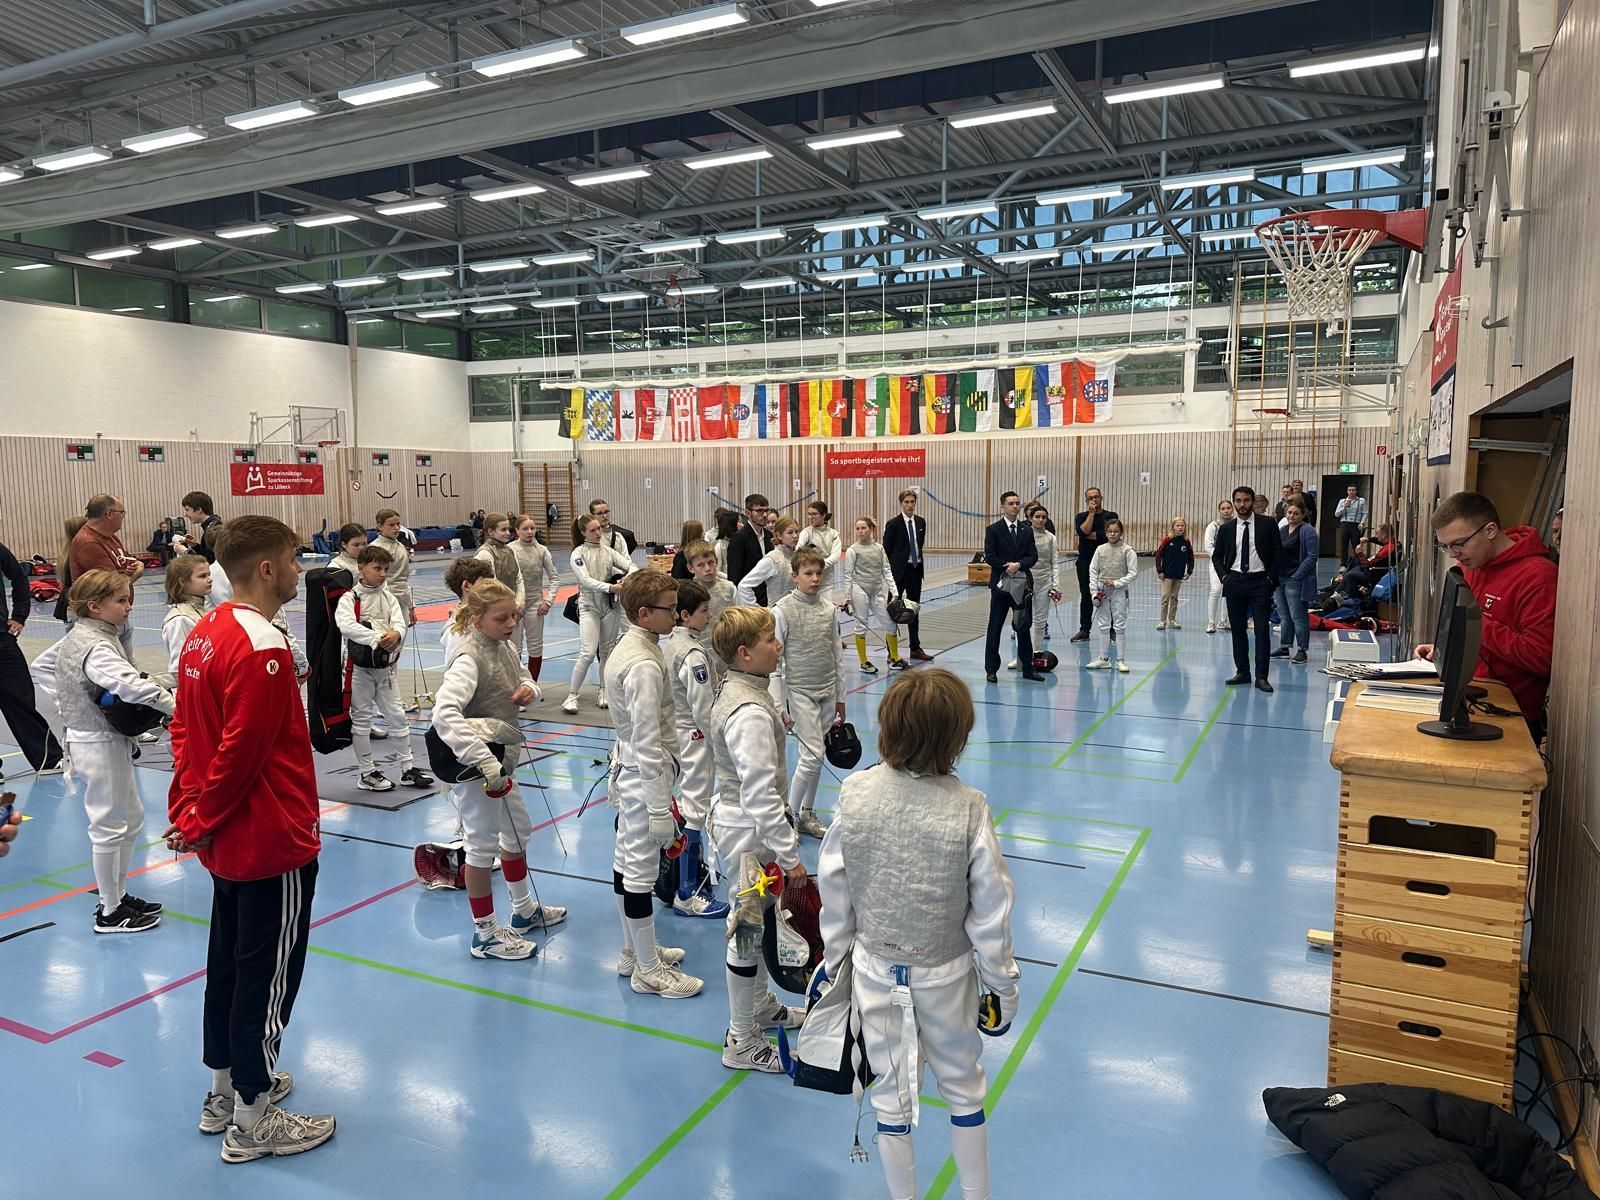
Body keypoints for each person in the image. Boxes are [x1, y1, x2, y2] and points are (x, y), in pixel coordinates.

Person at [166, 515, 335, 1162]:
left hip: (227, 840)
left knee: (230, 967)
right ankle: (254, 1117)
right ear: (266, 568)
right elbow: (243, 752)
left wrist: (190, 808)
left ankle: (225, 1091)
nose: (299, 570)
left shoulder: (205, 631)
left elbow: (185, 731)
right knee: (266, 978)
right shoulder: (264, 643)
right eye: (293, 559)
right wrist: (199, 817)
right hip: (270, 837)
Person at [817, 668, 1019, 1200]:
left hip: (874, 974)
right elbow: (991, 912)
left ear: (889, 727)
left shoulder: (854, 793)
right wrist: (1002, 988)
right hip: (946, 978)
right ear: (956, 737)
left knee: (890, 1096)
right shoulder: (969, 807)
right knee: (963, 1088)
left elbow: (835, 893)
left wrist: (834, 965)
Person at [432, 580, 562, 960]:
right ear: (477, 619)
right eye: (502, 618)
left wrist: (530, 691)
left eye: (513, 616)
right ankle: (485, 934)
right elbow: (444, 714)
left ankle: (523, 910)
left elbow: (524, 678)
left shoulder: (502, 646)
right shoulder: (468, 658)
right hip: (476, 769)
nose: (511, 624)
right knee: (480, 848)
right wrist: (485, 762)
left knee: (518, 833)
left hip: (501, 763)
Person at [708, 606, 808, 1073]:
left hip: (745, 827)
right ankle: (741, 1039)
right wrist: (789, 857)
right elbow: (760, 794)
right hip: (750, 834)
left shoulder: (744, 690)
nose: (778, 645)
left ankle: (760, 1007)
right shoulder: (748, 711)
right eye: (770, 640)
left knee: (761, 923)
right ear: (745, 653)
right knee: (747, 933)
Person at [51, 570, 175, 932]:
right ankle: (109, 912)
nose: (129, 606)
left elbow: (45, 667)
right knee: (108, 824)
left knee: (132, 817)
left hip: (102, 738)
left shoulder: (87, 634)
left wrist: (70, 704)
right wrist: (177, 707)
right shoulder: (96, 644)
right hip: (96, 743)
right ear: (95, 606)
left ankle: (117, 896)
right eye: (121, 600)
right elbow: (132, 686)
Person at [605, 569, 704, 999]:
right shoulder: (643, 663)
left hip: (632, 768)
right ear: (644, 613)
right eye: (669, 609)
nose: (676, 617)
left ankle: (634, 950)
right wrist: (660, 808)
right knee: (640, 873)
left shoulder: (633, 646)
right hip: (645, 774)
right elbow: (646, 740)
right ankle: (647, 971)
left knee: (626, 860)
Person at [1415, 492, 1557, 737]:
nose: (1454, 554)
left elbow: (1541, 658)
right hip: (1471, 704)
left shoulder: (1539, 578)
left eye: (1459, 544)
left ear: (1490, 530)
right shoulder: (1470, 567)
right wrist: (1444, 650)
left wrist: (1475, 625)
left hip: (1511, 717)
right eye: (1446, 546)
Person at [336, 545, 431, 792]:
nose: (382, 574)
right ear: (361, 568)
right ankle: (367, 773)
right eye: (377, 568)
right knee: (362, 720)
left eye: (385, 569)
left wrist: (396, 634)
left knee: (398, 716)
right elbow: (346, 625)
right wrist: (377, 638)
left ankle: (407, 770)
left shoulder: (388, 597)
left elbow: (400, 623)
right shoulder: (350, 598)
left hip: (385, 669)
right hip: (359, 670)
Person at [664, 579, 730, 920]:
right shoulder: (691, 654)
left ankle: (692, 880)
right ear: (685, 615)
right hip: (695, 736)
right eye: (704, 611)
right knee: (694, 810)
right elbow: (703, 708)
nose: (710, 615)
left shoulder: (669, 643)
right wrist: (720, 740)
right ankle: (687, 893)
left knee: (690, 806)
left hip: (677, 733)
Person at [775, 547, 845, 840]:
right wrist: (779, 704)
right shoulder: (782, 610)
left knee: (817, 756)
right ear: (795, 576)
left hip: (826, 689)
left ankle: (806, 813)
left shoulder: (829, 609)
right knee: (812, 754)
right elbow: (775, 661)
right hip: (800, 691)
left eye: (818, 573)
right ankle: (788, 816)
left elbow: (837, 654)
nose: (815, 578)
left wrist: (841, 696)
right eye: (808, 573)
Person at [562, 515, 637, 714]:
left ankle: (604, 691)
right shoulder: (578, 553)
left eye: (599, 529)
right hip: (589, 606)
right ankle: (572, 696)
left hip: (610, 607)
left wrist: (626, 579)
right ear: (583, 533)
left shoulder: (608, 551)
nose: (598, 533)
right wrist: (611, 587)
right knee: (587, 653)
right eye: (593, 530)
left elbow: (632, 566)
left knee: (607, 652)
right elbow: (585, 580)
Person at [0, 538, 61, 774]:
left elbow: (18, 577)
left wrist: (19, 615)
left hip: (2, 640)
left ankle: (48, 758)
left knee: (22, 699)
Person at [1212, 486, 1282, 694]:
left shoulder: (1267, 524)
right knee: (1238, 630)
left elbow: (1277, 553)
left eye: (1246, 500)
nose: (1242, 504)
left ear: (1252, 502)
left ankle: (1262, 676)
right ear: (1234, 502)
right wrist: (1224, 577)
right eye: (1238, 501)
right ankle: (1242, 672)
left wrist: (1270, 578)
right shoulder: (1226, 528)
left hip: (1260, 582)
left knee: (1261, 630)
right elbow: (1217, 556)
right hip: (1234, 582)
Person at [69, 494, 144, 656]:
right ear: (109, 514)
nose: (123, 516)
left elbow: (121, 564)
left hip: (114, 615)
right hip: (98, 620)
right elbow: (110, 585)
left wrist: (132, 566)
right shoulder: (88, 542)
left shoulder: (109, 537)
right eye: (122, 512)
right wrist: (136, 575)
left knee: (127, 664)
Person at [983, 492, 1042, 683]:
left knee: (1023, 627)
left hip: (1021, 587)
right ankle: (991, 669)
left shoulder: (1026, 530)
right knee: (995, 627)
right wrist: (1006, 566)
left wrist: (1019, 565)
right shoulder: (993, 529)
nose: (1015, 506)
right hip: (1001, 587)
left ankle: (1027, 668)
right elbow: (990, 556)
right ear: (1003, 506)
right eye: (1011, 503)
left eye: (1017, 503)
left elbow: (1033, 555)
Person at [843, 516, 903, 674]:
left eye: (863, 528)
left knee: (891, 624)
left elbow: (886, 570)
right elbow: (848, 575)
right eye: (857, 528)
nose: (860, 531)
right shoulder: (852, 550)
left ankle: (894, 658)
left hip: (876, 590)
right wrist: (847, 599)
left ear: (871, 529)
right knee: (861, 626)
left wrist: (895, 592)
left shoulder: (879, 548)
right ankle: (863, 662)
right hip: (859, 589)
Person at [881, 489, 935, 663]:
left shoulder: (920, 522)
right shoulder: (893, 524)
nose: (910, 505)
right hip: (898, 573)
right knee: (893, 610)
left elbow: (919, 545)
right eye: (907, 502)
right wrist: (889, 573)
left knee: (914, 610)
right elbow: (886, 550)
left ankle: (915, 648)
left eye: (912, 502)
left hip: (915, 570)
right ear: (901, 504)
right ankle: (891, 651)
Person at [510, 514, 559, 680]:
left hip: (535, 605)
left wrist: (548, 601)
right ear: (517, 531)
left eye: (532, 528)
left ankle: (532, 686)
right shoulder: (510, 550)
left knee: (535, 646)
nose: (530, 532)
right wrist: (512, 603)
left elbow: (554, 579)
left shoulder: (542, 551)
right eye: (525, 529)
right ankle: (515, 685)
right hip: (514, 606)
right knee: (514, 647)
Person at [1011, 505, 1059, 670]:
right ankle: (1020, 657)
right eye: (1037, 517)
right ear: (1030, 518)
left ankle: (1035, 654)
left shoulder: (1051, 538)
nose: (1040, 520)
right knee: (1021, 620)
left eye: (1043, 517)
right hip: (1024, 581)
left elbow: (1055, 563)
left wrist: (1055, 585)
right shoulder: (1022, 535)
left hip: (1044, 582)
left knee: (1040, 619)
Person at [1271, 500, 1318, 665]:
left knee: (1298, 616)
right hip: (1280, 578)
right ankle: (1285, 647)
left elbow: (1312, 556)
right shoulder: (1283, 530)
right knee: (1284, 615)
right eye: (1289, 513)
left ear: (1303, 514)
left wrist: (1297, 575)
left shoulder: (1308, 531)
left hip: (1295, 580)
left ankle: (1302, 649)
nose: (1292, 516)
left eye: (1296, 513)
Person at [1086, 519, 1137, 674]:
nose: (1113, 534)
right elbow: (1093, 571)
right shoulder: (1100, 550)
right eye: (1110, 531)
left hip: (1119, 592)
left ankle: (1120, 659)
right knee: (1103, 625)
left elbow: (1133, 573)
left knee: (1119, 625)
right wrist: (1094, 592)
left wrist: (1116, 583)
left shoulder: (1128, 551)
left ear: (1121, 532)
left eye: (1116, 531)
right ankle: (1103, 658)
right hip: (1102, 592)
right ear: (1106, 533)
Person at [1070, 487, 1118, 643]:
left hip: (1106, 561)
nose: (1093, 500)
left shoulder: (1110, 516)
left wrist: (1090, 535)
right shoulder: (1081, 516)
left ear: (1101, 498)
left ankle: (1111, 630)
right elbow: (1083, 532)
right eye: (1090, 498)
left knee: (1108, 595)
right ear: (1086, 500)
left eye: (1096, 497)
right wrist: (1091, 515)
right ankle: (1084, 630)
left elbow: (1107, 535)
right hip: (1085, 561)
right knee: (1086, 595)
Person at [685, 539, 736, 674]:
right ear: (691, 568)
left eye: (710, 562)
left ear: (716, 561)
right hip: (700, 651)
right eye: (700, 565)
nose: (707, 568)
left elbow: (738, 620)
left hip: (726, 650)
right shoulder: (687, 592)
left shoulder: (729, 588)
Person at [162, 553, 212, 681]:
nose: (209, 579)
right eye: (202, 576)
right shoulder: (179, 619)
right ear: (182, 581)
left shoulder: (204, 611)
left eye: (209, 574)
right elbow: (179, 668)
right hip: (194, 685)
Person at [735, 515, 800, 606]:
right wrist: (757, 611)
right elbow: (744, 586)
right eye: (790, 532)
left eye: (797, 531)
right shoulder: (772, 559)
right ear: (779, 535)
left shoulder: (798, 556)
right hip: (777, 612)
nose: (795, 536)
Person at [440, 556, 494, 661]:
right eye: (485, 583)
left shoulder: (488, 618)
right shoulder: (455, 632)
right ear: (466, 586)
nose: (492, 588)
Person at [371, 508, 417, 628]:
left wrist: (411, 607)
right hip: (381, 602)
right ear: (380, 526)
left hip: (402, 601)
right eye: (391, 525)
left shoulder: (401, 547)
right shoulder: (374, 549)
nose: (396, 528)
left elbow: (404, 581)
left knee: (400, 637)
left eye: (398, 524)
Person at [473, 513, 528, 612]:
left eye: (508, 529)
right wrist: (514, 604)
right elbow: (492, 586)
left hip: (512, 608)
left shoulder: (510, 550)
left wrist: (520, 601)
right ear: (490, 531)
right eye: (503, 530)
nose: (508, 533)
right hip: (492, 610)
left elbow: (519, 580)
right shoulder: (484, 553)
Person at [726, 493, 772, 604]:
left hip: (769, 597)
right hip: (748, 599)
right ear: (747, 513)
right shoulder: (739, 538)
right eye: (759, 511)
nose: (765, 515)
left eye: (767, 510)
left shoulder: (769, 536)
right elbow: (734, 575)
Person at [797, 500, 843, 601]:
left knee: (827, 609)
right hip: (807, 584)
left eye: (814, 514)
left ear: (823, 515)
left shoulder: (834, 534)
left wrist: (819, 566)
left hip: (826, 585)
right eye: (809, 514)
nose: (810, 517)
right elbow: (798, 549)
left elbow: (835, 556)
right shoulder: (806, 532)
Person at [1154, 517, 1194, 631]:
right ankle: (1162, 621)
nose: (1180, 528)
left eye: (1182, 525)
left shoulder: (1186, 541)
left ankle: (1172, 619)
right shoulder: (1167, 540)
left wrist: (1189, 571)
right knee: (1165, 597)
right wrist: (1160, 570)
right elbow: (1158, 555)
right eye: (1178, 525)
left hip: (1178, 574)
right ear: (1173, 527)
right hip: (1167, 574)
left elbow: (1190, 557)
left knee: (1174, 597)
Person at [180, 491, 224, 562]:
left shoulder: (213, 529)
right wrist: (195, 545)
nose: (185, 514)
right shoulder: (212, 525)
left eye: (187, 510)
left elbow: (207, 561)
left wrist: (185, 552)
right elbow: (207, 554)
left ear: (198, 509)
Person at [1334, 485, 1368, 564]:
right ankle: (1343, 563)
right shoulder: (1342, 501)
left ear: (1356, 491)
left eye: (1353, 490)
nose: (1351, 492)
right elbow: (1336, 514)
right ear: (1347, 491)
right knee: (1344, 544)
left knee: (1356, 544)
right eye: (1349, 490)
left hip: (1356, 524)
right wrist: (1344, 507)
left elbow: (1365, 513)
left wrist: (1362, 522)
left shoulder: (1361, 501)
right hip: (1345, 523)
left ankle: (1358, 562)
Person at [712, 508, 741, 578]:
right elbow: (716, 571)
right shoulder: (719, 546)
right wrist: (731, 577)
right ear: (731, 524)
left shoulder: (741, 541)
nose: (742, 525)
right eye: (739, 522)